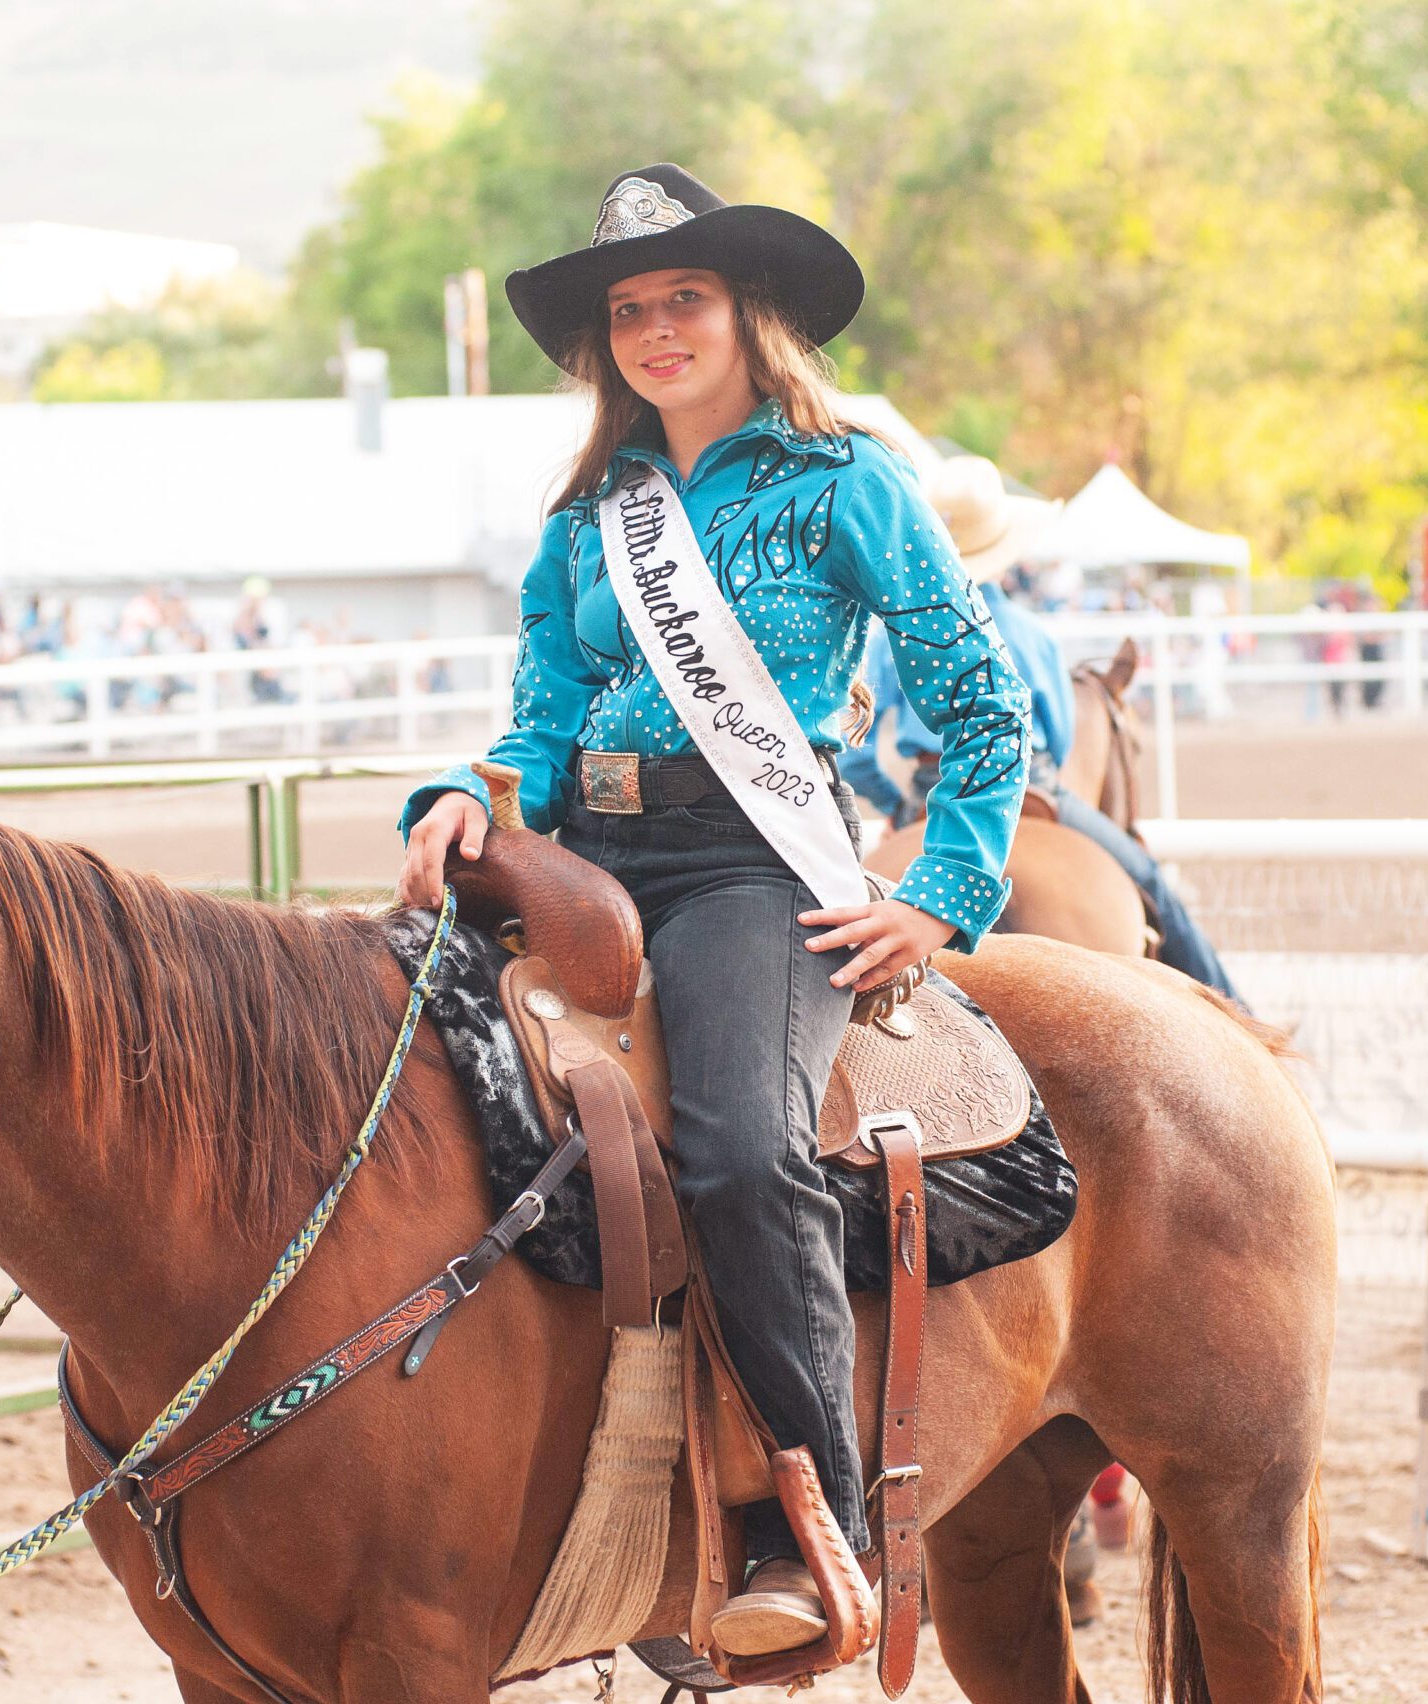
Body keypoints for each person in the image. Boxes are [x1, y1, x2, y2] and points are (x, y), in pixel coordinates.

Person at [394, 163, 1029, 1656]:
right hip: (590, 862)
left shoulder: (846, 482)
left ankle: (818, 1531)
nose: (657, 329)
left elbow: (981, 701)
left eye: (684, 298)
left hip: (756, 860)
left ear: (751, 315)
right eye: (629, 310)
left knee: (742, 1149)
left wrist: (939, 894)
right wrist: (466, 795)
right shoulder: (583, 526)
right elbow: (539, 724)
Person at [840, 454, 1241, 1000]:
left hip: (931, 795)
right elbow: (1061, 734)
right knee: (1153, 886)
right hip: (1035, 789)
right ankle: (1234, 1014)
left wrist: (894, 805)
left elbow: (856, 752)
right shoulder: (1031, 633)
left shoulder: (892, 638)